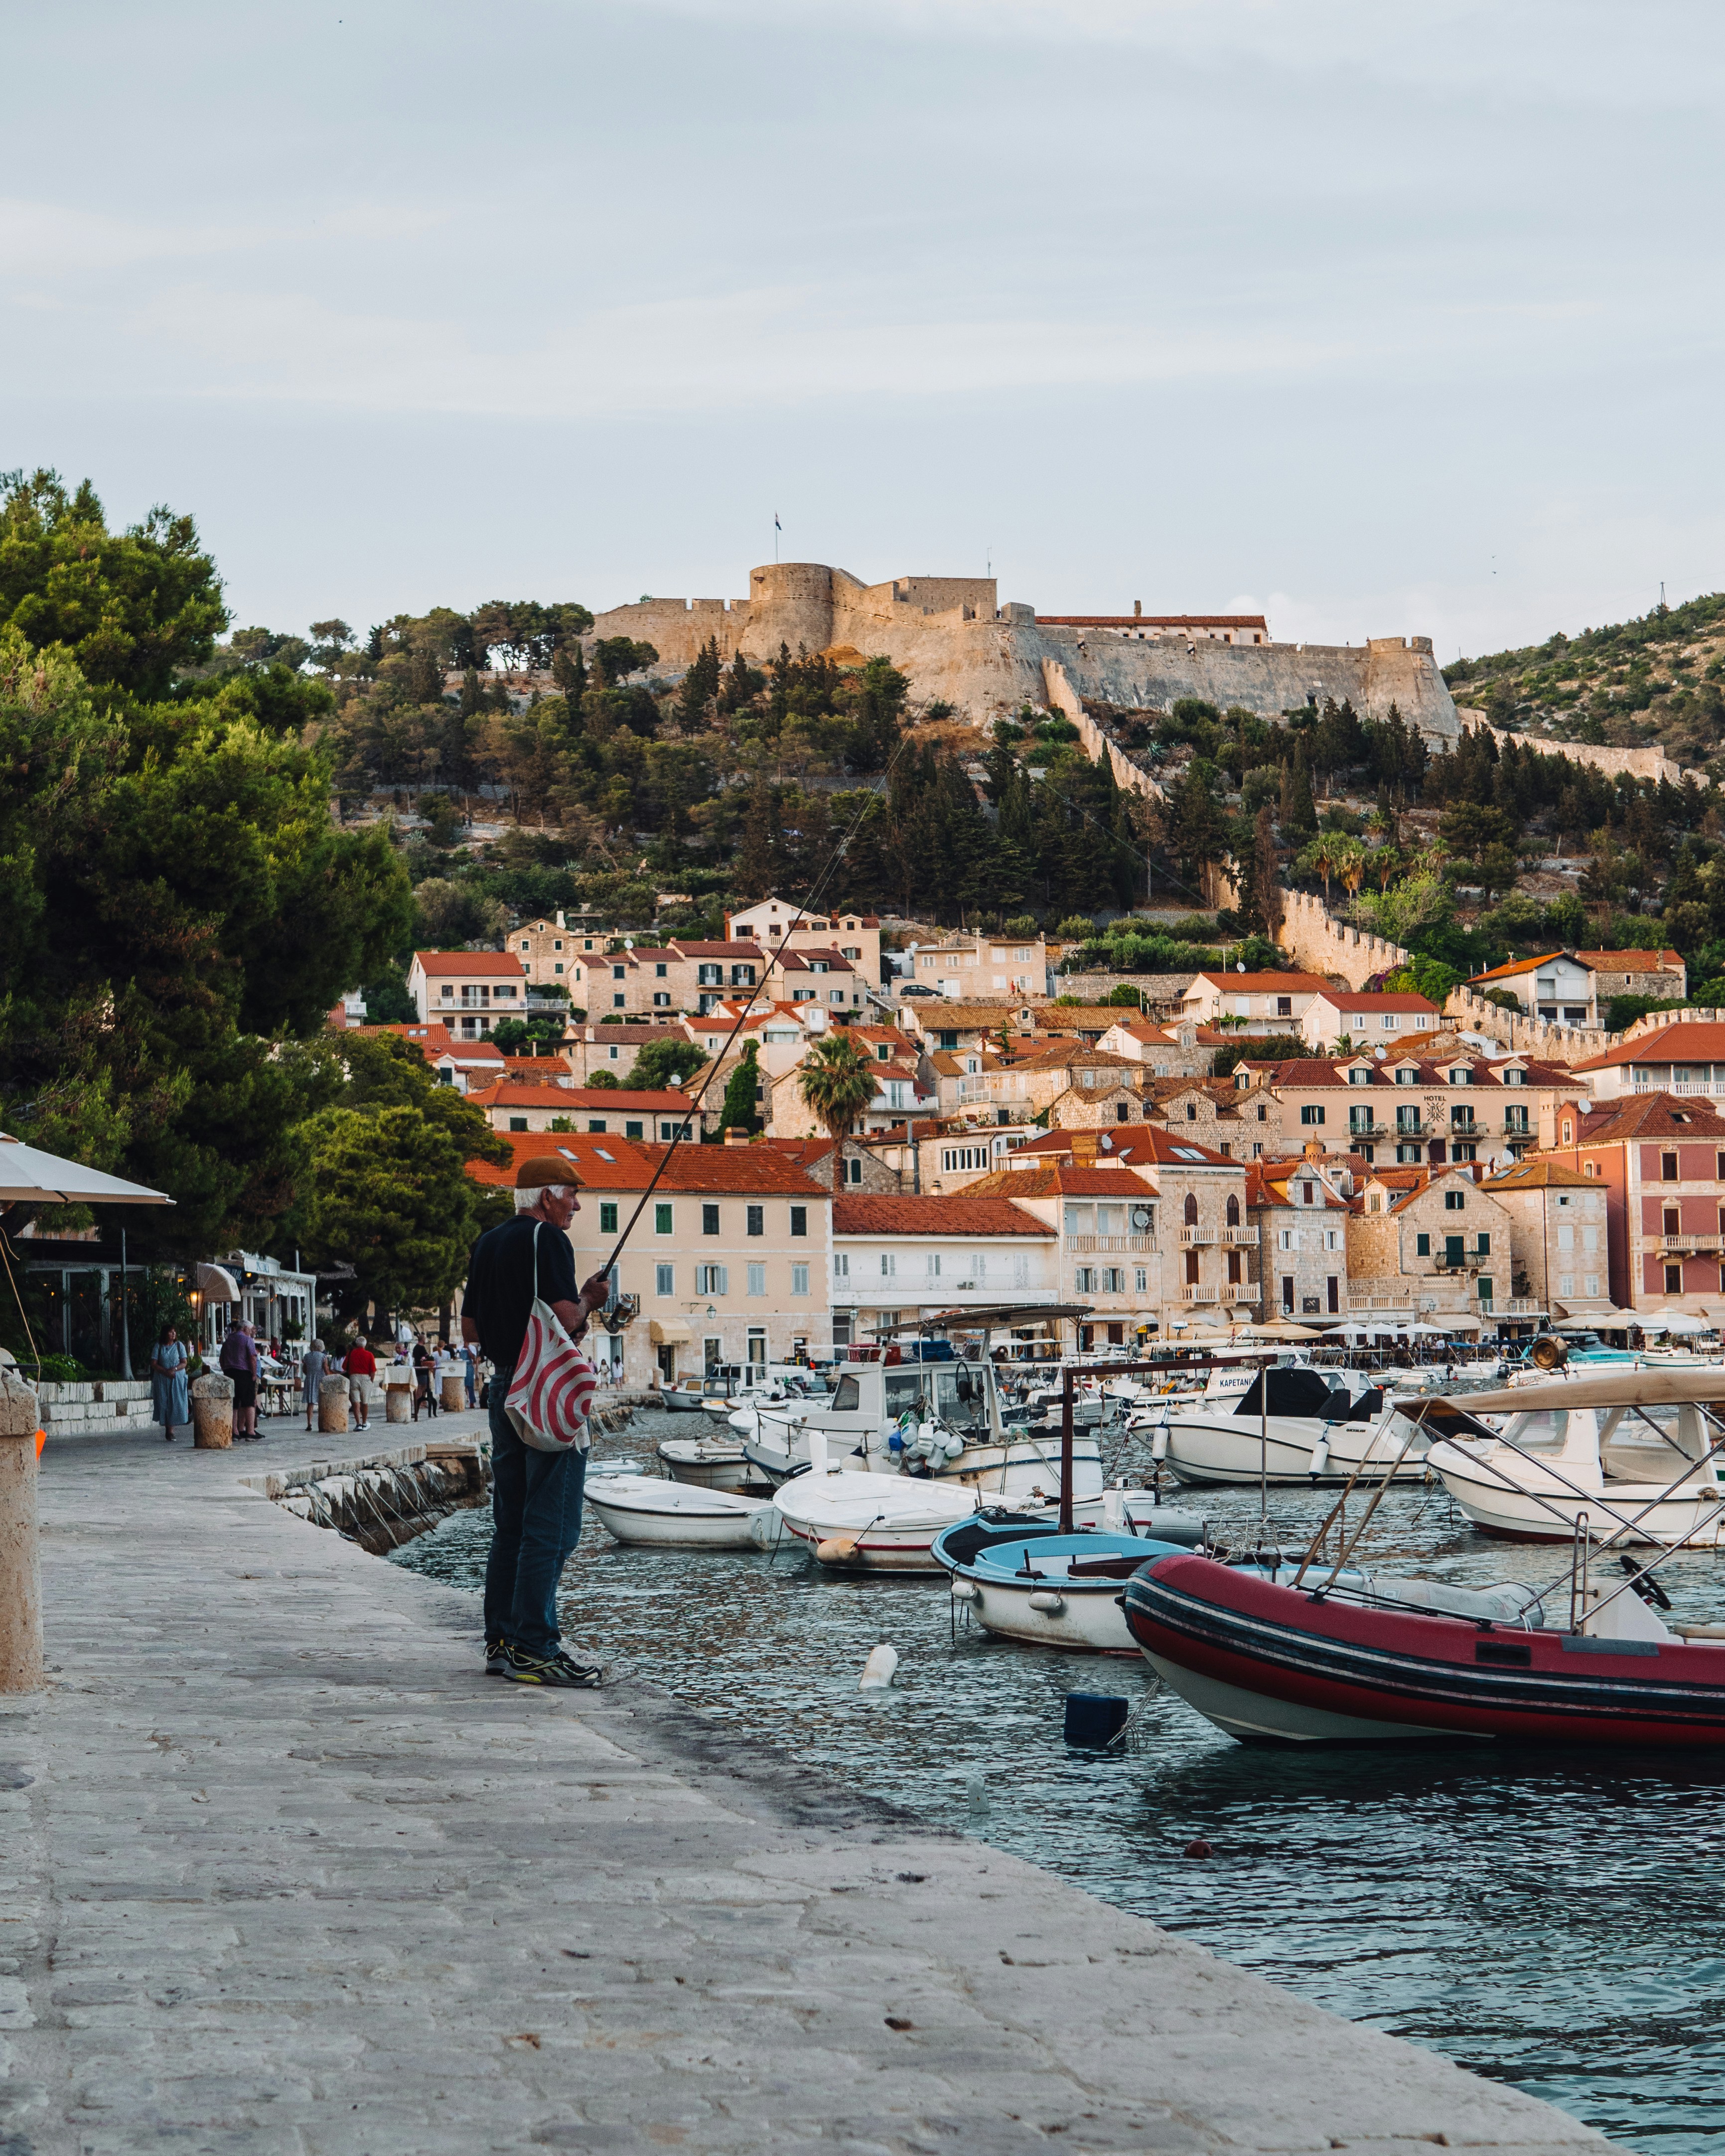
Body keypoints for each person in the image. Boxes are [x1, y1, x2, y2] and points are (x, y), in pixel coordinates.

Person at [463, 1155, 610, 1688]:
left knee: (512, 1523)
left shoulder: (487, 1242)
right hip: (542, 1387)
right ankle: (535, 1647)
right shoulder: (548, 1240)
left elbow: (470, 1326)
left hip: (503, 1385)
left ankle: (501, 1642)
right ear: (548, 1197)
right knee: (554, 1524)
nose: (577, 1203)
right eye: (573, 1193)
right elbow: (566, 1318)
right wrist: (589, 1299)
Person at [220, 1318, 261, 1441]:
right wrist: (254, 1374)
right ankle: (250, 1431)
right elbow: (252, 1358)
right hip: (244, 1373)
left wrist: (226, 1370)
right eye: (251, 1328)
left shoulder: (228, 1341)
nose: (251, 1331)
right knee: (249, 1402)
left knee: (234, 1403)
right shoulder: (247, 1340)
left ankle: (235, 1432)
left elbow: (221, 1359)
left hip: (229, 1373)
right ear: (245, 1329)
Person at [151, 1322, 189, 1443]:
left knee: (175, 1402)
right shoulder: (159, 1346)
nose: (174, 1334)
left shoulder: (179, 1346)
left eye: (174, 1332)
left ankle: (171, 1430)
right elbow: (154, 1363)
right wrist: (165, 1371)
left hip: (176, 1379)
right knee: (164, 1402)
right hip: (162, 1379)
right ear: (165, 1334)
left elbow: (184, 1362)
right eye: (171, 1332)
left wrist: (175, 1369)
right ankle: (168, 1428)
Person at [345, 1334, 377, 1430]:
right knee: (365, 1402)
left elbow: (344, 1367)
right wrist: (371, 1381)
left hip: (354, 1377)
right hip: (365, 1379)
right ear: (365, 1345)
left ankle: (358, 1424)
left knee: (356, 1402)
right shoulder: (369, 1355)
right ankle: (364, 1423)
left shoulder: (351, 1354)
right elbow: (373, 1371)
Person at [301, 1336, 329, 1431]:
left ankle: (309, 1423)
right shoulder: (323, 1357)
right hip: (320, 1380)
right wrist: (330, 1377)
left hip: (309, 1379)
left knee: (311, 1403)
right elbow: (326, 1369)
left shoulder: (307, 1356)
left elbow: (304, 1370)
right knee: (322, 1402)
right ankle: (321, 1423)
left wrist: (310, 1375)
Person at [412, 1335, 439, 1421]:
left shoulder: (416, 1348)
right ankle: (418, 1402)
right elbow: (427, 1357)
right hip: (422, 1370)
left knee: (424, 1386)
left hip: (419, 1369)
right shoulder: (421, 1348)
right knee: (422, 1386)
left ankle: (422, 1402)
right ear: (423, 1340)